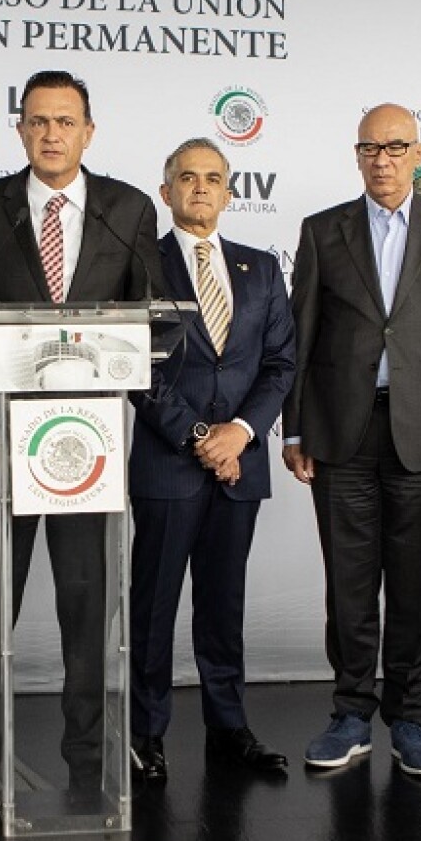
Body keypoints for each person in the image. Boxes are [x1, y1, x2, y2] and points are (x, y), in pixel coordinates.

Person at [0, 70, 162, 809]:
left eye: (65, 121)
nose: (51, 133)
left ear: (89, 131)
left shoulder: (129, 209)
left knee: (88, 598)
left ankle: (90, 754)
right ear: (21, 129)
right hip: (3, 429)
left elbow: (152, 317)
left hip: (86, 437)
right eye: (37, 121)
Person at [283, 103, 421, 777]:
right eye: (371, 147)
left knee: (414, 587)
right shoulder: (322, 232)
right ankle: (350, 714)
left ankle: (409, 718)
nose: (383, 158)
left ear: (418, 152)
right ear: (357, 154)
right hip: (341, 432)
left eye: (396, 146)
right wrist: (295, 426)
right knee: (348, 586)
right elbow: (300, 337)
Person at [127, 138, 296, 782]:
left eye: (213, 178)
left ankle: (228, 729)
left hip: (241, 466)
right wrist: (203, 436)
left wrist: (242, 433)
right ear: (166, 192)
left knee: (224, 606)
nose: (201, 187)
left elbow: (280, 364)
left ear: (229, 193)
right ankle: (146, 735)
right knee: (155, 605)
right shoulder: (143, 265)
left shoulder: (261, 268)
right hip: (170, 464)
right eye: (186, 177)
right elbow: (137, 365)